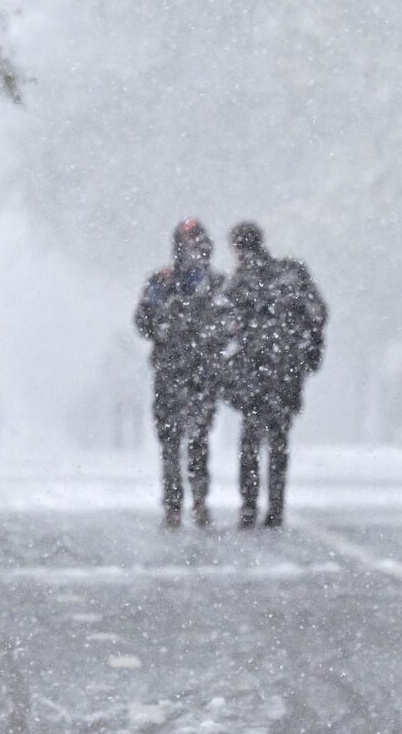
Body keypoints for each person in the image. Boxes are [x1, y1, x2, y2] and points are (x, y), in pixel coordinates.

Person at [223, 221, 327, 529]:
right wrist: (305, 351)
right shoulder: (292, 272)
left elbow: (223, 327)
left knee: (251, 440)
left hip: (255, 371)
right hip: (286, 371)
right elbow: (318, 314)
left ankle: (249, 505)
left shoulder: (239, 283)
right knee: (278, 439)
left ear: (238, 248)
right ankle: (276, 505)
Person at [134, 219, 230, 528]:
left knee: (198, 438)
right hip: (173, 370)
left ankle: (198, 499)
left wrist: (209, 337)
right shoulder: (162, 282)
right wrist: (164, 328)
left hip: (199, 370)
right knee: (172, 440)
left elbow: (231, 322)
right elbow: (143, 320)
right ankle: (175, 502)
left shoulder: (216, 283)